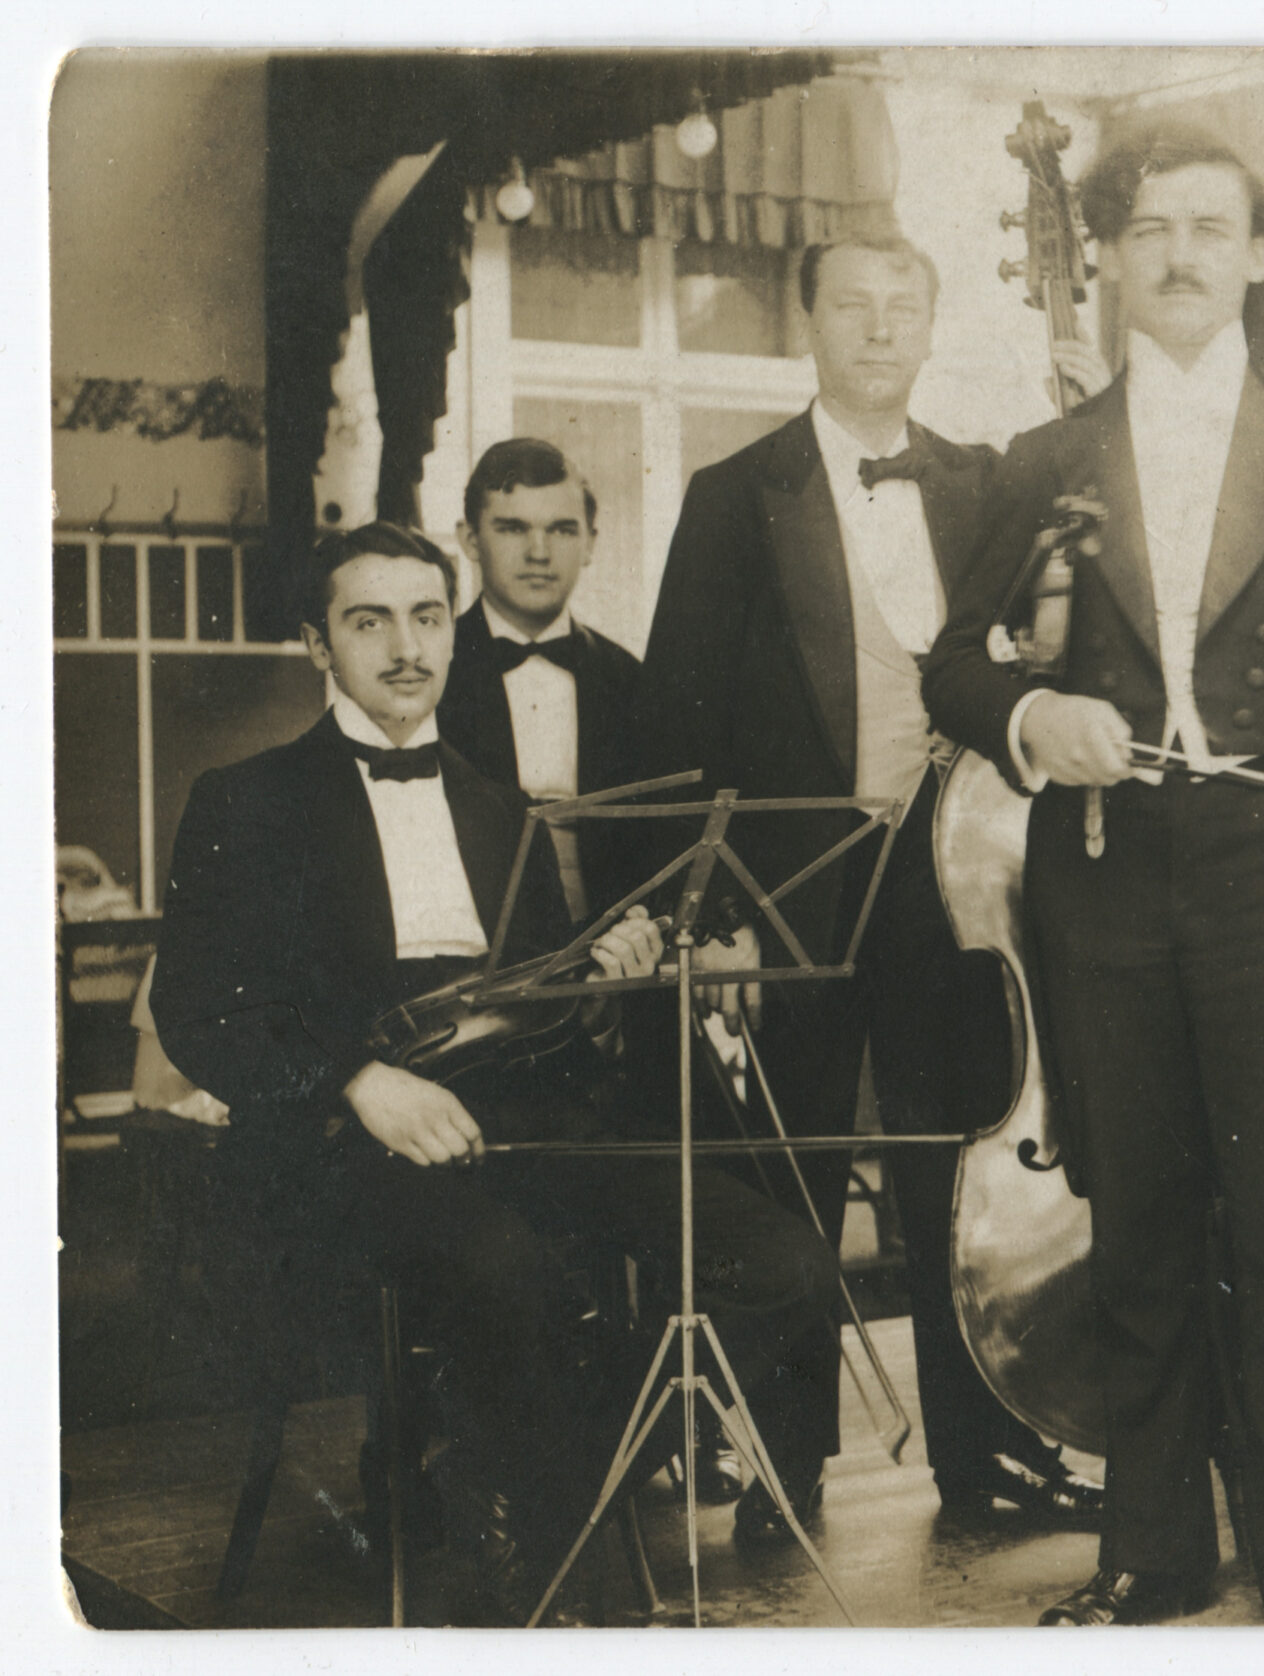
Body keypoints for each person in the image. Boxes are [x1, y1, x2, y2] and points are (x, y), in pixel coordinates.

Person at [924, 122, 1264, 1627]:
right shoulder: (1044, 460)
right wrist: (1034, 720)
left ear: (1260, 255)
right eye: (1149, 229)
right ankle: (1151, 1556)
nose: (1181, 255)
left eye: (1212, 227)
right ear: (1109, 257)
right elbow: (952, 667)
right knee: (1136, 1237)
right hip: (1106, 886)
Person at [151, 523, 842, 1622]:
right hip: (342, 1151)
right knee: (510, 1267)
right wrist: (359, 1083)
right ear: (317, 644)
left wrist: (601, 992)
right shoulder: (245, 798)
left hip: (518, 1128)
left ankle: (511, 1476)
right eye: (369, 621)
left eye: (427, 617)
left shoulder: (498, 809)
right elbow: (199, 1012)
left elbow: (544, 1025)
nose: (406, 647)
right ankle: (551, 1566)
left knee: (783, 1261)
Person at [629, 230, 1102, 1540]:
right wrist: (712, 912)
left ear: (932, 327)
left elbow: (1058, 647)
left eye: (904, 305)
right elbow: (677, 720)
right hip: (794, 887)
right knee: (795, 1177)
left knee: (957, 1169)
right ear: (809, 323)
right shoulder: (735, 494)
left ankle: (987, 1459)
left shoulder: (989, 479)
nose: (881, 328)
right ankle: (784, 1471)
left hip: (955, 876)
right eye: (853, 305)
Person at [438, 437, 643, 922]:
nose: (538, 552)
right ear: (470, 540)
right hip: (472, 930)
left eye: (562, 530)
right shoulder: (431, 669)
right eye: (512, 528)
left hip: (611, 934)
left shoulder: (629, 676)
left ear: (590, 543)